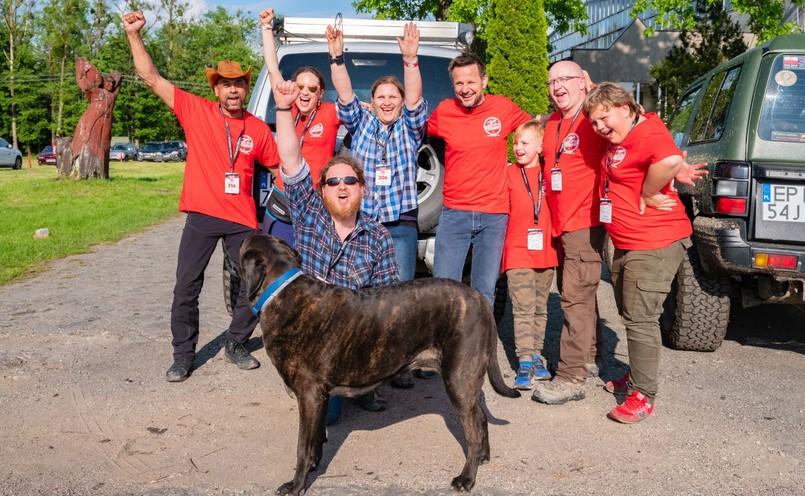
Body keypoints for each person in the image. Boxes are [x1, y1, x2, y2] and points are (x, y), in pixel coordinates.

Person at [122, 11, 280, 382]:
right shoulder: (196, 111)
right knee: (186, 286)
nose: (233, 90)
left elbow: (278, 169)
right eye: (226, 84)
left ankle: (236, 343)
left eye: (239, 83)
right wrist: (133, 35)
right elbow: (150, 77)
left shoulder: (258, 129)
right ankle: (182, 355)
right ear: (216, 90)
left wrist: (287, 203)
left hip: (242, 217)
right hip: (202, 214)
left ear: (246, 86)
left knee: (255, 283)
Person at [273, 79, 399, 424]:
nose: (341, 186)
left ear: (362, 188)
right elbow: (290, 158)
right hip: (312, 331)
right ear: (323, 191)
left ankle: (368, 382)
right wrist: (284, 109)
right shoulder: (309, 215)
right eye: (333, 182)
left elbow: (387, 299)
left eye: (349, 181)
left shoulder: (378, 236)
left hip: (355, 331)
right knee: (325, 417)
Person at [582, 82, 705, 423]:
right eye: (594, 123)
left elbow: (666, 157)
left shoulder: (647, 130)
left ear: (625, 108)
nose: (599, 127)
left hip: (653, 241)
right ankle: (637, 376)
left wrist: (650, 192)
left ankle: (643, 395)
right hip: (628, 240)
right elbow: (669, 156)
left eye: (604, 118)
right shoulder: (633, 127)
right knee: (630, 311)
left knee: (640, 318)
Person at [530, 61, 610, 406]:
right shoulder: (552, 123)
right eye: (552, 81)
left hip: (584, 221)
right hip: (560, 223)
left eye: (564, 79)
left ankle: (570, 375)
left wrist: (598, 89)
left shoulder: (595, 119)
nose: (557, 86)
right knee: (578, 290)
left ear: (582, 83)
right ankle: (590, 355)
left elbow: (630, 114)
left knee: (575, 296)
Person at [427, 53, 532, 307]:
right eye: (459, 84)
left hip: (494, 215)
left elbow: (535, 129)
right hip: (455, 213)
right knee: (443, 290)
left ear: (484, 80)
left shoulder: (503, 107)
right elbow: (415, 129)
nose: (465, 89)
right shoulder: (445, 111)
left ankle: (479, 345)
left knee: (484, 291)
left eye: (471, 82)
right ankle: (443, 345)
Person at [325, 20, 427, 283]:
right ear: (372, 101)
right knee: (359, 290)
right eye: (381, 97)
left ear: (401, 101)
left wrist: (410, 59)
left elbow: (415, 99)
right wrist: (337, 57)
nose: (387, 102)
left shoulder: (409, 127)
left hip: (400, 225)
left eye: (393, 97)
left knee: (399, 293)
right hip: (363, 222)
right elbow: (346, 95)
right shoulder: (362, 123)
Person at [258, 8, 342, 243]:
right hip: (282, 198)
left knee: (310, 269)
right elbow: (273, 68)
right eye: (300, 87)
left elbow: (354, 106)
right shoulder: (288, 109)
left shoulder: (330, 112)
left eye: (312, 89)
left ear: (321, 93)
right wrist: (266, 27)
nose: (305, 93)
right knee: (276, 264)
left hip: (316, 200)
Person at [501, 120, 558, 390]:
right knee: (522, 307)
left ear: (540, 147)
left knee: (540, 309)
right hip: (518, 250)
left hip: (546, 251)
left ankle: (536, 355)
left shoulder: (550, 173)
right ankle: (524, 359)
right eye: (516, 143)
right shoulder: (509, 172)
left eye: (525, 143)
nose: (518, 148)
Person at [70, 58, 121, 178]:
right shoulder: (99, 92)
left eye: (112, 83)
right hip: (94, 120)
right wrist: (85, 73)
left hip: (106, 122)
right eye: (108, 82)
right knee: (89, 141)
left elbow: (117, 89)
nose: (110, 84)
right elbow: (88, 86)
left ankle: (102, 172)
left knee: (104, 144)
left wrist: (118, 77)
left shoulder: (112, 96)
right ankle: (85, 170)